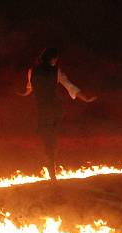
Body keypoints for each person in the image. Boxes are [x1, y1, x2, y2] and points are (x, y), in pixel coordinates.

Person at [18, 47, 97, 180]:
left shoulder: (32, 71)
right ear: (52, 59)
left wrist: (22, 94)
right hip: (53, 109)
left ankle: (52, 170)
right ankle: (51, 167)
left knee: (49, 139)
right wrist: (86, 98)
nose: (56, 61)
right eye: (56, 59)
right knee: (50, 139)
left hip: (46, 110)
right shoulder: (56, 72)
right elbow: (70, 87)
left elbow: (29, 88)